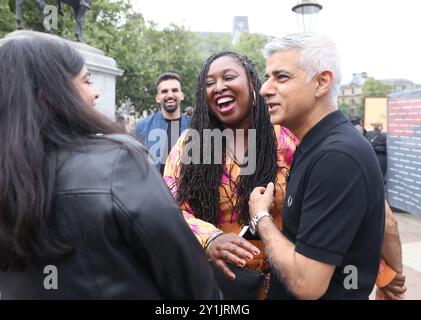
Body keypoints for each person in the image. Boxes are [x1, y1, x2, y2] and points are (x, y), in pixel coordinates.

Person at [0, 37, 220, 299]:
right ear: (49, 96)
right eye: (86, 80)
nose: (96, 92)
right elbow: (192, 284)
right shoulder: (118, 163)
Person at [249, 33, 386, 299]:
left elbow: (307, 284)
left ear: (322, 82)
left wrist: (261, 217)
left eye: (281, 77)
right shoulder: (316, 145)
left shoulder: (336, 157)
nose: (265, 88)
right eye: (268, 77)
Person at [164, 51, 298, 299]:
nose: (219, 87)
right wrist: (210, 239)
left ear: (252, 84)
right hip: (217, 286)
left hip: (284, 284)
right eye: (209, 83)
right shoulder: (189, 146)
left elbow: (322, 209)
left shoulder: (286, 140)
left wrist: (385, 274)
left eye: (229, 77)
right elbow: (168, 209)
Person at [134, 73, 190, 174]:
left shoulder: (195, 125)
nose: (170, 95)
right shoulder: (142, 126)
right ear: (158, 98)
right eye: (164, 91)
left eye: (174, 90)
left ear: (182, 96)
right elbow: (136, 164)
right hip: (154, 188)